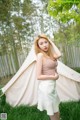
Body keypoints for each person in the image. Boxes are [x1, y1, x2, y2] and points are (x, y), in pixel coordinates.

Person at [34, 34, 61, 120]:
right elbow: (38, 76)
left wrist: (51, 42)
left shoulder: (50, 55)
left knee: (56, 107)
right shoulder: (40, 56)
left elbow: (59, 54)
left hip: (52, 86)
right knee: (52, 110)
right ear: (38, 46)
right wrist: (53, 77)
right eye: (41, 43)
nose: (44, 45)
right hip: (46, 87)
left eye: (46, 42)